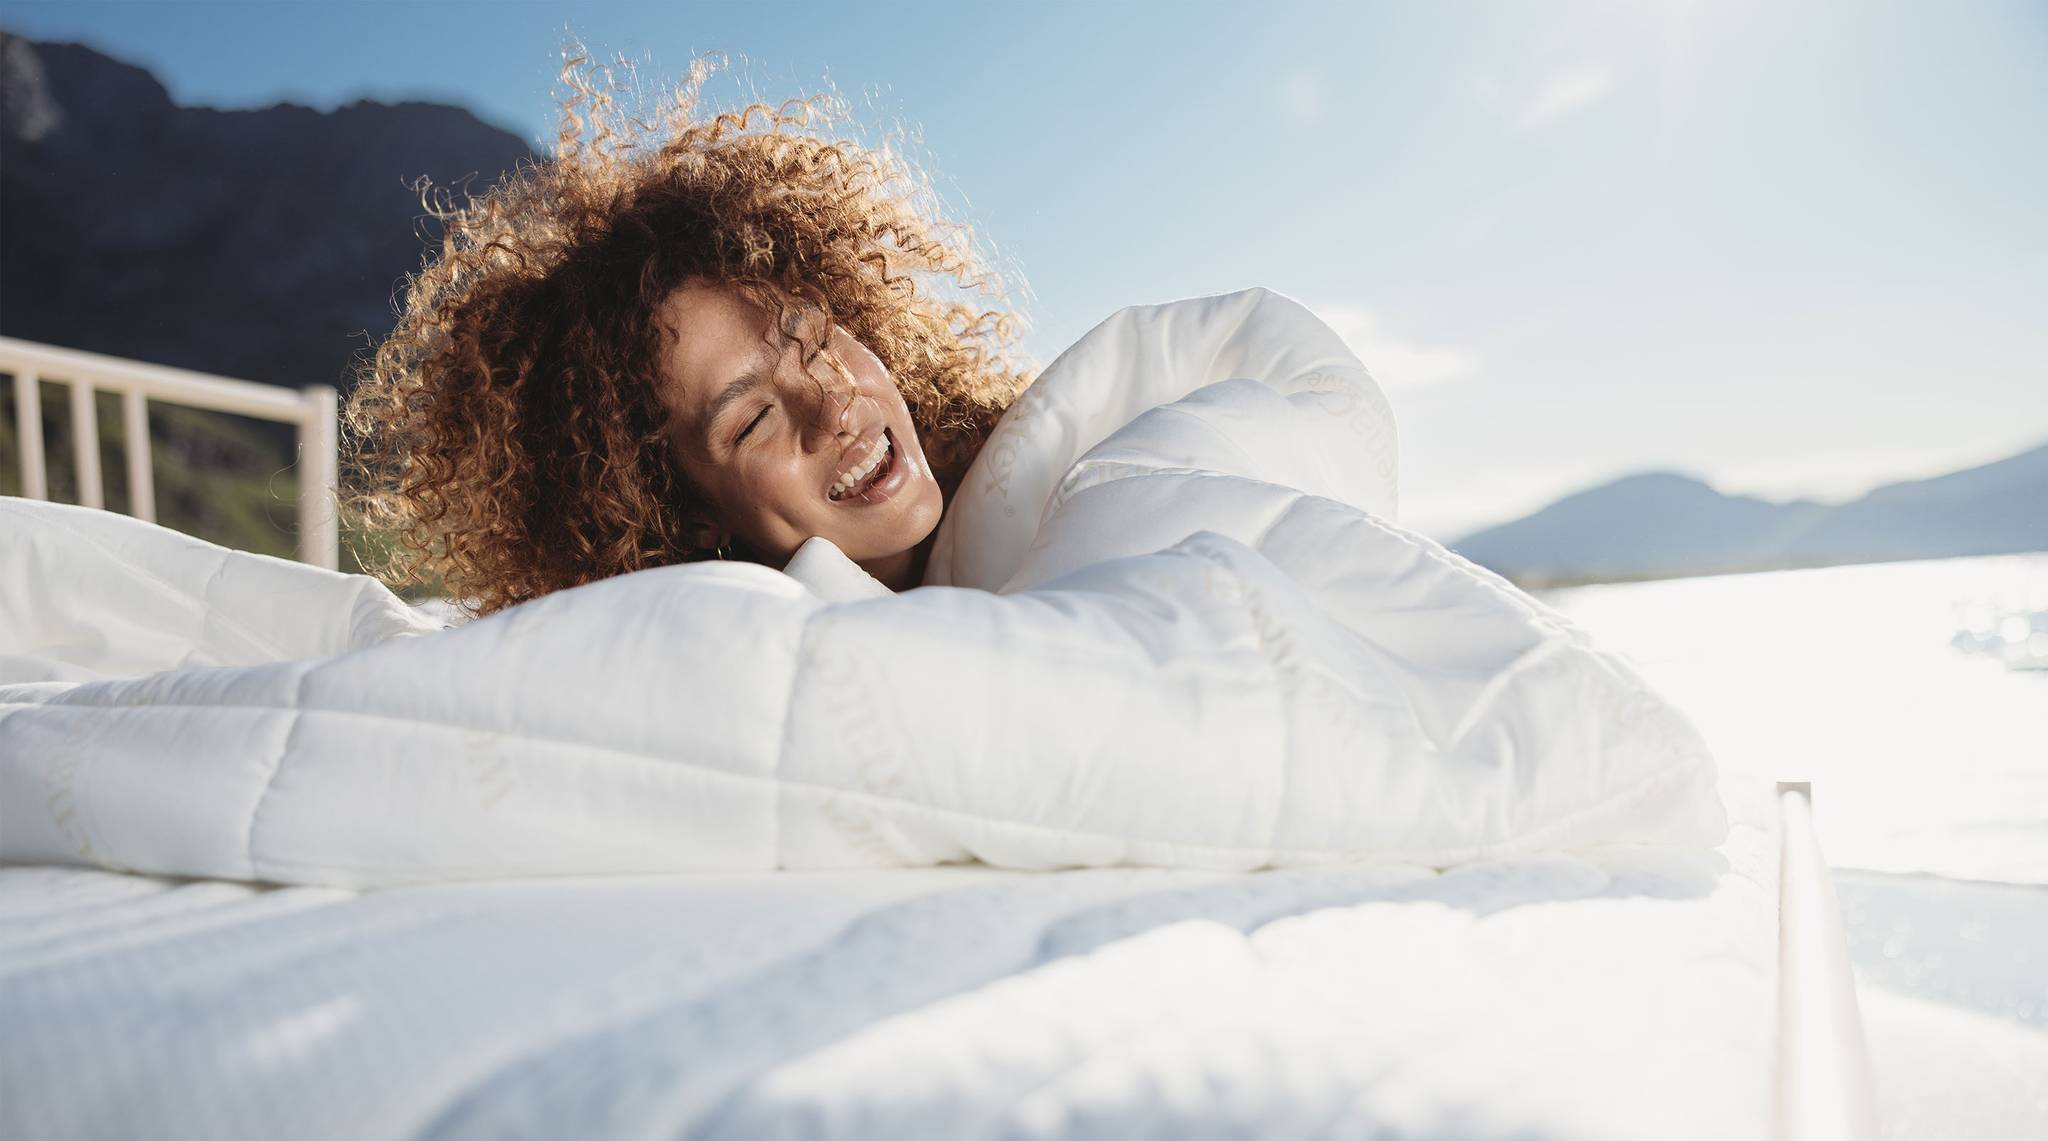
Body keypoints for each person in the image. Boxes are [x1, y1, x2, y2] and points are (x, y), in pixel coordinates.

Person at [344, 51, 1037, 616]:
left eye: (819, 344)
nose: (832, 406)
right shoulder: (710, 665)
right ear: (688, 518)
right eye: (754, 419)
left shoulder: (1057, 453)